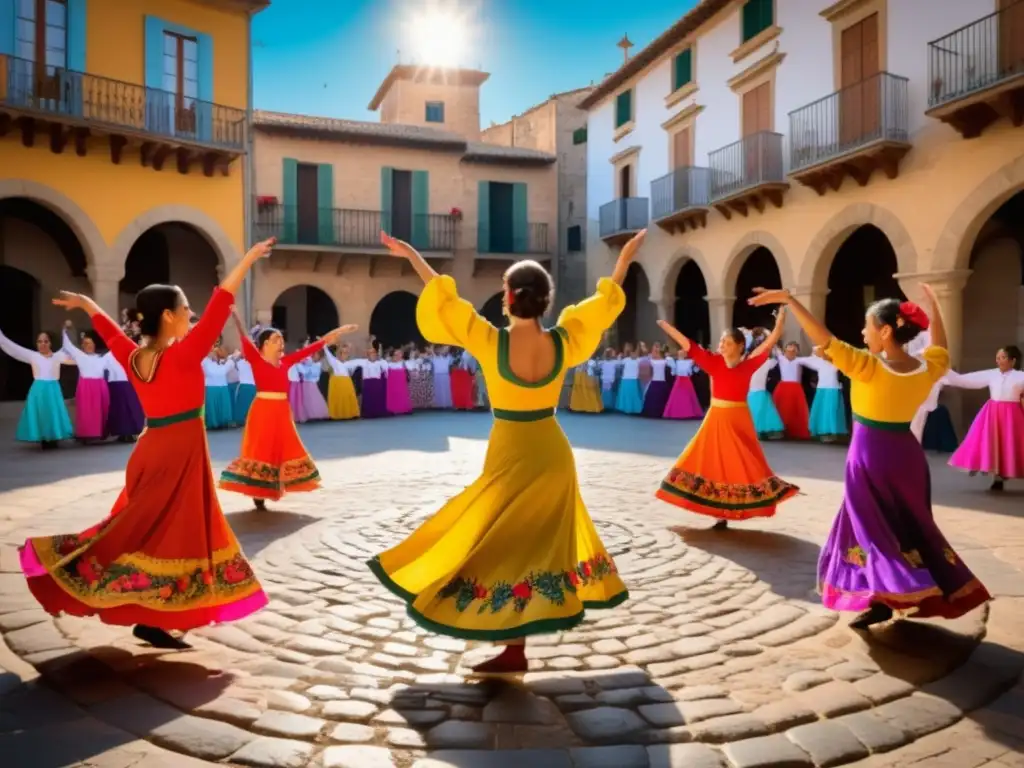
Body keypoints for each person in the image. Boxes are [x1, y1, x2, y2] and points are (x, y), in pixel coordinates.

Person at [368, 230, 642, 675]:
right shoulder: (564, 341)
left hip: (511, 450)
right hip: (553, 452)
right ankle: (516, 645)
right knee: (536, 548)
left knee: (499, 544)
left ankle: (512, 645)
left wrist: (413, 254)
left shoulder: (489, 340)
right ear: (544, 301)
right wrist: (623, 260)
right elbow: (604, 304)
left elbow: (442, 296)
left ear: (508, 298)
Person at [20, 238, 277, 650]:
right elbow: (222, 302)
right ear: (169, 317)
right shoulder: (185, 355)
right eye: (186, 309)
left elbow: (108, 328)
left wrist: (88, 304)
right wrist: (246, 259)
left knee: (148, 532)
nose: (192, 315)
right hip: (177, 455)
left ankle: (154, 616)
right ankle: (153, 613)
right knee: (172, 534)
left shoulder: (134, 356)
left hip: (154, 448)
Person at [747, 286, 991, 628]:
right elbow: (941, 349)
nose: (863, 333)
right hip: (907, 457)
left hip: (870, 457)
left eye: (867, 326)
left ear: (886, 330)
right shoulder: (928, 366)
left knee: (871, 531)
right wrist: (935, 306)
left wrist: (791, 300)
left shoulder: (866, 366)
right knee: (909, 527)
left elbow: (825, 338)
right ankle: (910, 590)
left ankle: (893, 591)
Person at [657, 311, 798, 529]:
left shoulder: (749, 364)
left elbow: (770, 342)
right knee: (714, 463)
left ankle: (742, 505)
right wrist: (669, 328)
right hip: (716, 420)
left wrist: (779, 322)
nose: (722, 345)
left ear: (740, 346)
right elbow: (690, 346)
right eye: (721, 342)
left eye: (727, 342)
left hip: (739, 420)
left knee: (743, 463)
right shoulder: (713, 362)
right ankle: (720, 513)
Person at [220, 314, 356, 508]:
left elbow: (316, 346)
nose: (281, 344)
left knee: (283, 448)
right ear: (265, 344)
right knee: (262, 449)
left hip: (282, 412)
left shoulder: (287, 362)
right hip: (262, 410)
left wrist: (340, 331)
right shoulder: (256, 360)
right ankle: (258, 491)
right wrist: (234, 314)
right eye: (276, 340)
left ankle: (275, 485)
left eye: (282, 341)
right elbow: (244, 336)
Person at [943, 345, 1024, 492]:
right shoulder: (992, 374)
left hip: (1013, 415)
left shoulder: (1021, 377)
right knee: (992, 444)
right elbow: (967, 380)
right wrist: (943, 372)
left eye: (1003, 357)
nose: (999, 360)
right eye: (998, 357)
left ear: (1013, 360)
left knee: (1011, 445)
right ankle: (996, 478)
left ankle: (1004, 474)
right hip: (993, 413)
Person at [0, 328, 72, 449]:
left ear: (51, 343)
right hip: (38, 389)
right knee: (41, 413)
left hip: (53, 389)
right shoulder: (33, 356)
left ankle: (54, 437)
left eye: (46, 341)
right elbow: (12, 348)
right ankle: (44, 438)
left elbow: (73, 354)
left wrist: (66, 331)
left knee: (53, 412)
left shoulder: (58, 356)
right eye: (40, 341)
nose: (42, 344)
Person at [60, 324, 111, 442]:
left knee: (101, 410)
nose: (87, 345)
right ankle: (85, 434)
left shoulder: (103, 358)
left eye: (89, 343)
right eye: (85, 343)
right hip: (86, 387)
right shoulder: (79, 355)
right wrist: (65, 330)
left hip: (100, 386)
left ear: (94, 344)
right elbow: (67, 345)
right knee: (86, 411)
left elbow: (114, 351)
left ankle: (101, 432)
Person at [804, 347, 849, 443]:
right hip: (821, 389)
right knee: (821, 410)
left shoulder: (835, 361)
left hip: (833, 389)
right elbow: (803, 360)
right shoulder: (818, 361)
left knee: (830, 412)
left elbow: (844, 361)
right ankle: (819, 431)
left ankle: (830, 432)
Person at [772, 342, 812, 440]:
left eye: (793, 350)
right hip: (783, 388)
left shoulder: (799, 360)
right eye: (788, 350)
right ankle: (780, 430)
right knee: (782, 408)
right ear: (785, 351)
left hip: (795, 388)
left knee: (796, 409)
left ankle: (796, 431)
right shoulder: (781, 358)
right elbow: (774, 346)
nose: (790, 352)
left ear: (797, 352)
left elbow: (813, 360)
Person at [323, 343, 361, 419]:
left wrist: (350, 348)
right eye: (343, 353)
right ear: (339, 354)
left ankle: (350, 414)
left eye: (346, 353)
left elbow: (358, 365)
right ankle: (336, 414)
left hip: (347, 382)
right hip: (338, 382)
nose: (344, 355)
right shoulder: (334, 361)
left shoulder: (349, 363)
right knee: (338, 398)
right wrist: (323, 345)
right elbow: (328, 354)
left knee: (348, 397)